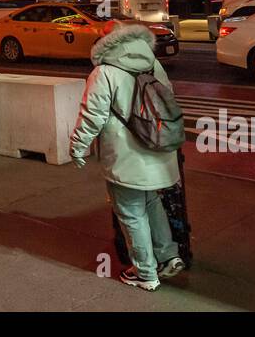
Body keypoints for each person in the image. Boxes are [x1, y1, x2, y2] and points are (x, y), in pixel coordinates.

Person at [70, 22, 186, 291]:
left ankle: (145, 273)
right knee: (151, 203)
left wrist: (78, 147)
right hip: (158, 149)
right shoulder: (152, 63)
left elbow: (92, 116)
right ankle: (169, 256)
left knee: (131, 213)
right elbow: (167, 99)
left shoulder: (104, 72)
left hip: (126, 156)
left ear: (105, 43)